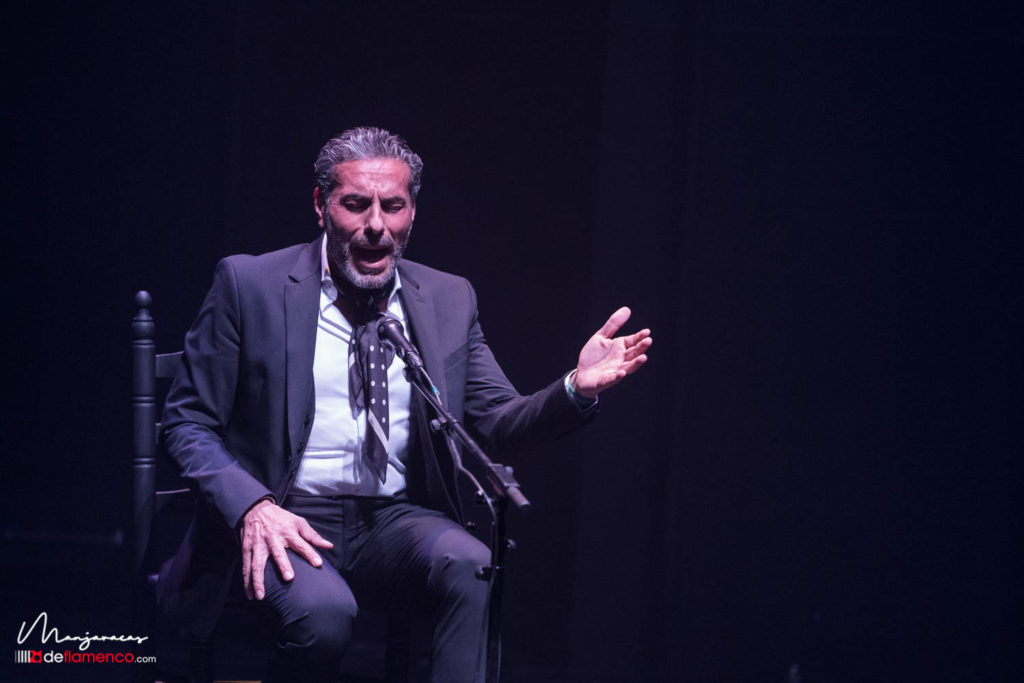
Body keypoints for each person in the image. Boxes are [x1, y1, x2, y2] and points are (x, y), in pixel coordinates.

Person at [157, 126, 652, 682]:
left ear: (412, 211)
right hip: (285, 514)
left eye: (392, 206)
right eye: (355, 205)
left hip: (391, 522)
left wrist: (576, 388)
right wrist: (253, 505)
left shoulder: (447, 298)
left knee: (475, 566)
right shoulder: (251, 285)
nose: (376, 225)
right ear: (321, 205)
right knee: (324, 617)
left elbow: (496, 421)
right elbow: (186, 423)